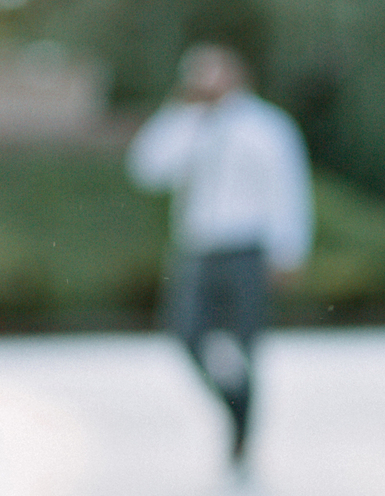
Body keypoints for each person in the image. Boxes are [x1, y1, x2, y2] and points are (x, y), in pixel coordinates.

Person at [128, 44, 312, 472]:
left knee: (246, 344)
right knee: (186, 334)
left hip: (246, 248)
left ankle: (245, 433)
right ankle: (232, 407)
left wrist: (288, 250)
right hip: (197, 248)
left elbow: (286, 189)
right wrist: (180, 113)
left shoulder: (266, 126)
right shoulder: (188, 125)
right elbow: (146, 168)